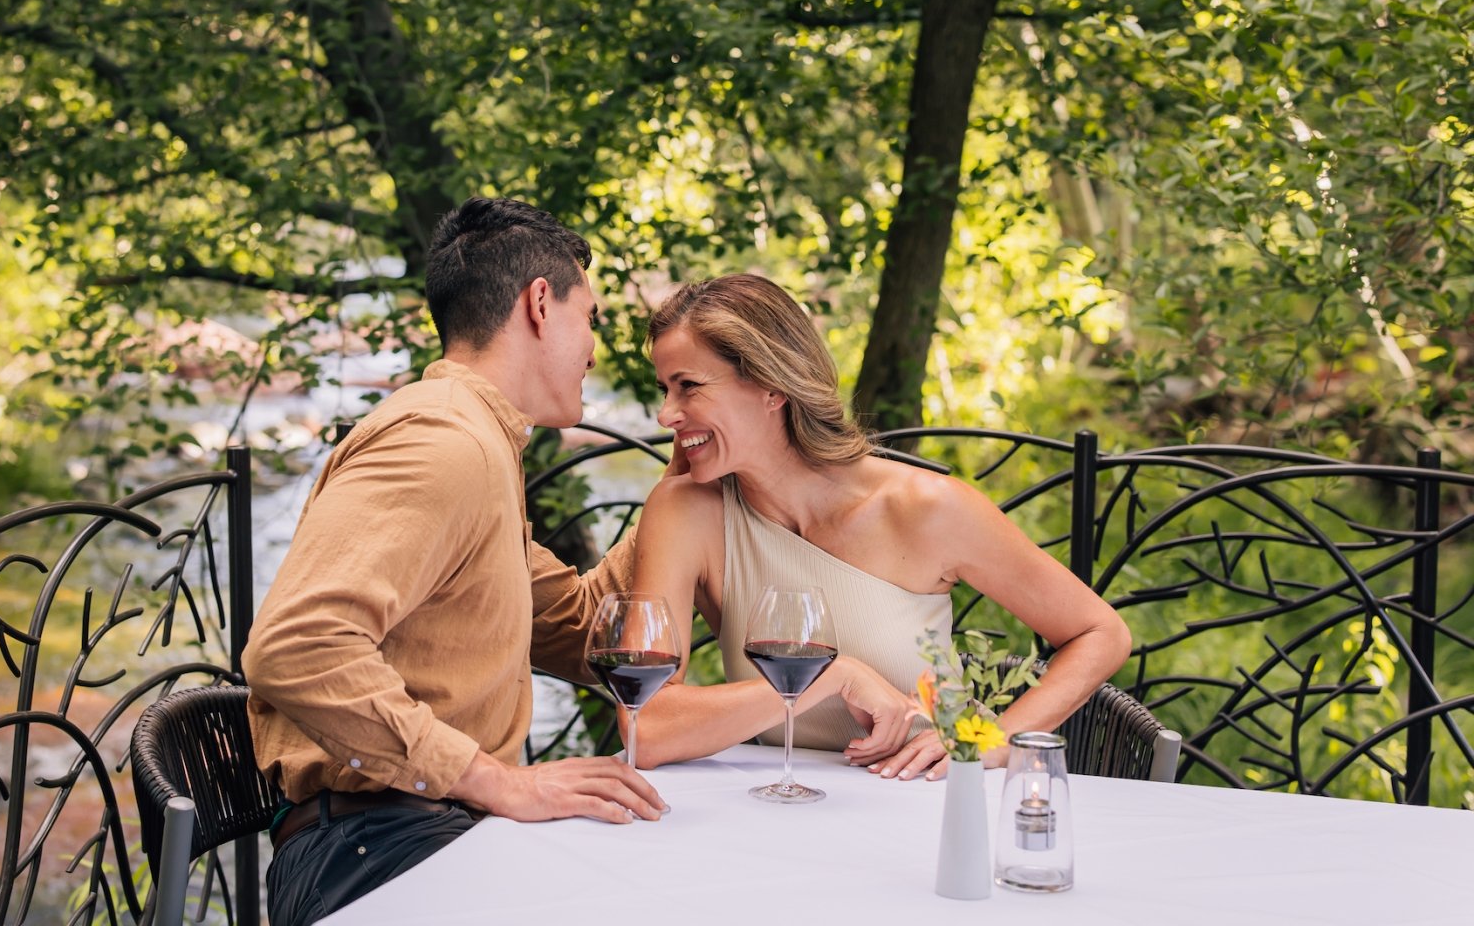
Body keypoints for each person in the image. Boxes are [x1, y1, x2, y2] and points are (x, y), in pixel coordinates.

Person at [242, 197, 667, 926]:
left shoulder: (478, 442)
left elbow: (575, 628)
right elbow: (294, 647)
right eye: (590, 317)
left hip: (424, 829)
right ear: (540, 303)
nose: (596, 347)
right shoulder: (442, 444)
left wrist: (681, 495)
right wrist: (493, 780)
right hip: (374, 849)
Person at [629, 273, 1131, 779]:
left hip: (935, 799)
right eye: (665, 389)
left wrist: (993, 743)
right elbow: (644, 727)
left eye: (688, 387)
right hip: (782, 805)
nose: (666, 414)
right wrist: (831, 677)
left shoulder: (926, 508)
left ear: (770, 386)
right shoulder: (686, 510)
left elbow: (1100, 632)